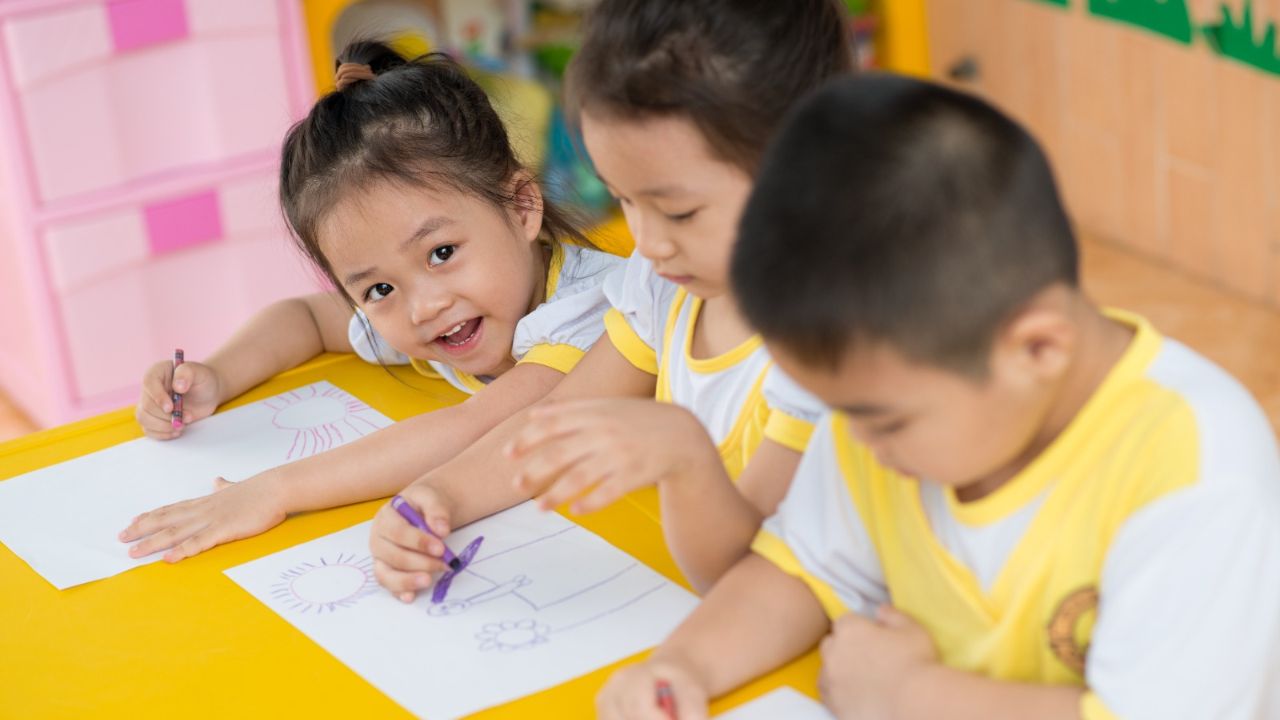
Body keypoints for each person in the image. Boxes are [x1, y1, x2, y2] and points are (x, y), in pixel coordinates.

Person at [597, 74, 1280, 719]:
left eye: (884, 421)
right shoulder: (886, 401)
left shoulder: (1196, 466)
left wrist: (912, 694)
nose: (857, 445)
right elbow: (799, 574)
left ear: (1037, 349)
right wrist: (683, 665)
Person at [369, 0, 854, 599]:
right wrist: (438, 497)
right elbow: (552, 426)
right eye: (624, 199)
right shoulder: (662, 288)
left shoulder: (835, 342)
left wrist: (684, 457)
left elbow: (744, 578)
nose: (646, 243)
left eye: (679, 211)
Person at [121, 42, 622, 564]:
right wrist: (217, 376)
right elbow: (308, 319)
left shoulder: (592, 308)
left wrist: (274, 491)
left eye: (441, 253)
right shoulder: (437, 312)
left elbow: (471, 431)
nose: (422, 307)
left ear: (520, 208)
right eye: (377, 289)